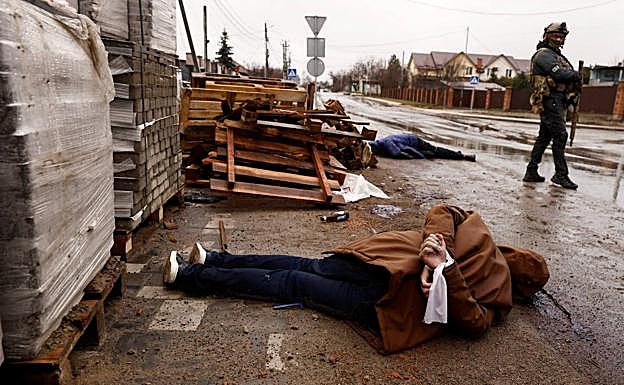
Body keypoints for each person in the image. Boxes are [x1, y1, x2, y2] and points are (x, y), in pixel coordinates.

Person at [163, 204, 549, 354]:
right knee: (298, 278)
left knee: (302, 268)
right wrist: (440, 256)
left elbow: (475, 324)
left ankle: (211, 261)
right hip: (382, 288)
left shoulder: (484, 243)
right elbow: (475, 324)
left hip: (380, 278)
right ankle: (196, 272)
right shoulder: (484, 246)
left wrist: (443, 263)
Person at [524, 22, 581, 189]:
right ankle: (561, 175)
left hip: (556, 99)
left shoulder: (557, 55)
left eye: (562, 36)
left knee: (544, 137)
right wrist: (575, 75)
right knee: (561, 135)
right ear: (547, 36)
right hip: (549, 99)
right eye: (556, 35)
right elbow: (559, 73)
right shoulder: (544, 55)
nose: (559, 38)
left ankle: (531, 171)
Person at [368, 134, 476, 162]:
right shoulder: (383, 143)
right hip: (413, 144)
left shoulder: (387, 143)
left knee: (435, 150)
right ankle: (457, 155)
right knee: (433, 154)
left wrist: (416, 156)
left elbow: (397, 153)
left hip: (416, 142)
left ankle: (461, 155)